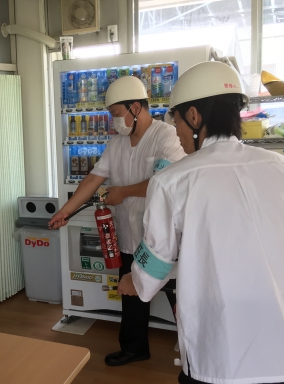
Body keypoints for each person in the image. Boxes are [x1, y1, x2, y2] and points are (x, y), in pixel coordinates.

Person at [118, 61, 284, 384]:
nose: (177, 133)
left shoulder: (173, 180)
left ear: (194, 116)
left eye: (177, 122)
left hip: (228, 353)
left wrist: (133, 281)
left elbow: (154, 263)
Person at [49, 75, 186, 366]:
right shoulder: (118, 143)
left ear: (136, 107)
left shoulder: (166, 136)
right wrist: (65, 211)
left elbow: (165, 183)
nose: (114, 122)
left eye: (116, 114)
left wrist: (122, 192)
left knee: (178, 295)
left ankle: (195, 353)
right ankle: (134, 348)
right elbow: (93, 179)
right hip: (128, 233)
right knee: (130, 291)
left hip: (161, 238)